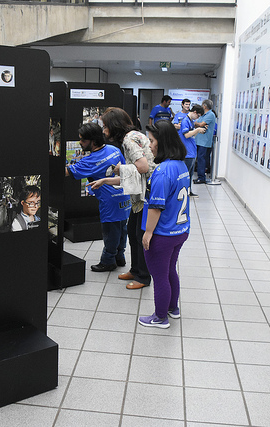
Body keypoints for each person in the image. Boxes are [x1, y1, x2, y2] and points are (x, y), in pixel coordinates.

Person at [89, 107, 156, 290]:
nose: (103, 131)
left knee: (140, 235)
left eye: (105, 126)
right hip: (141, 193)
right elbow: (134, 174)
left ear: (114, 125)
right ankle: (135, 270)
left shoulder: (128, 140)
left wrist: (120, 169)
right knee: (134, 234)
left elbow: (142, 168)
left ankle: (143, 276)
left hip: (147, 194)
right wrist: (105, 180)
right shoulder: (135, 135)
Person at [138, 120, 190, 329]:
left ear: (163, 142)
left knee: (159, 276)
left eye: (151, 141)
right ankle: (172, 308)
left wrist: (148, 233)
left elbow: (155, 207)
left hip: (163, 234)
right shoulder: (181, 166)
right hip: (180, 231)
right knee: (170, 270)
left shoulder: (162, 172)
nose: (149, 145)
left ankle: (160, 317)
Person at [66, 123, 131, 272]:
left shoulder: (90, 161)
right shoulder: (114, 149)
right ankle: (120, 257)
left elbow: (68, 172)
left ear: (93, 141)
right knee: (122, 228)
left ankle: (108, 261)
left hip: (109, 201)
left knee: (110, 232)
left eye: (82, 140)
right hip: (124, 195)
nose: (80, 143)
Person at [178, 104, 206, 197]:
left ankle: (189, 191)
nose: (197, 118)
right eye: (198, 115)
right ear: (194, 112)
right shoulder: (185, 121)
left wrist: (198, 131)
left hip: (192, 151)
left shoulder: (191, 121)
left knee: (190, 175)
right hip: (187, 153)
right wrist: (197, 129)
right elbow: (186, 135)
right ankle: (183, 192)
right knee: (185, 175)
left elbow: (191, 135)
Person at [193, 99, 217, 183]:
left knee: (201, 159)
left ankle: (201, 177)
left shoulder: (210, 114)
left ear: (204, 106)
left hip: (204, 142)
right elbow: (197, 124)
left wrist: (196, 123)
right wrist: (197, 124)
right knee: (199, 159)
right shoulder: (203, 115)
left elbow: (200, 124)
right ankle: (200, 176)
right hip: (199, 140)